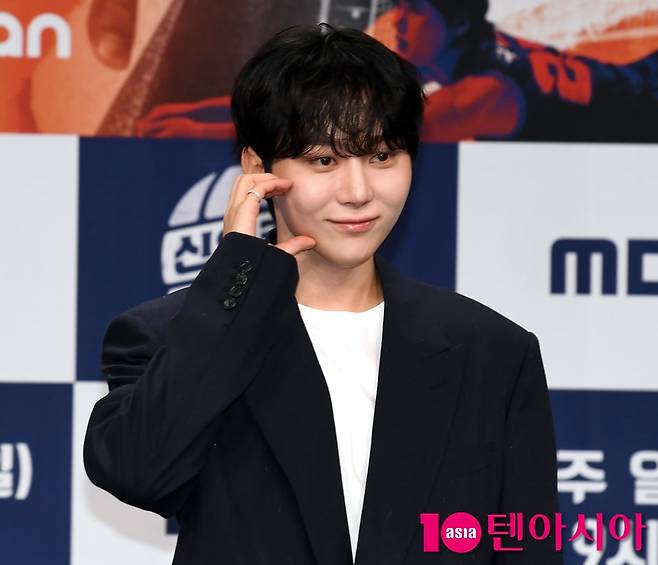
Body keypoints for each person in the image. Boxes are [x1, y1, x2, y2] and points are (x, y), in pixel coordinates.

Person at [84, 23, 562, 564]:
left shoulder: (492, 353)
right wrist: (236, 273)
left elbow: (527, 547)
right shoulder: (172, 335)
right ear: (257, 170)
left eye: (382, 156)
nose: (358, 192)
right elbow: (137, 473)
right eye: (324, 161)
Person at [379, 0, 658, 142]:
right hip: (638, 82)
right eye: (399, 7)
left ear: (460, 24)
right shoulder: (481, 45)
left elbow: (387, 131)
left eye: (413, 9)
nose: (397, 20)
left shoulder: (488, 90)